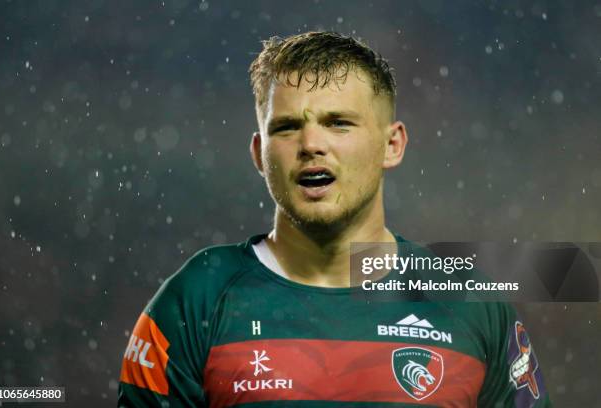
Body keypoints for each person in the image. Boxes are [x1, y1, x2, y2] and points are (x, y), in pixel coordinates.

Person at [118, 31, 551, 407]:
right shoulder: (196, 300)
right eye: (286, 127)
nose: (310, 143)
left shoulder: (469, 304)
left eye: (338, 123)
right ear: (258, 154)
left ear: (392, 145)